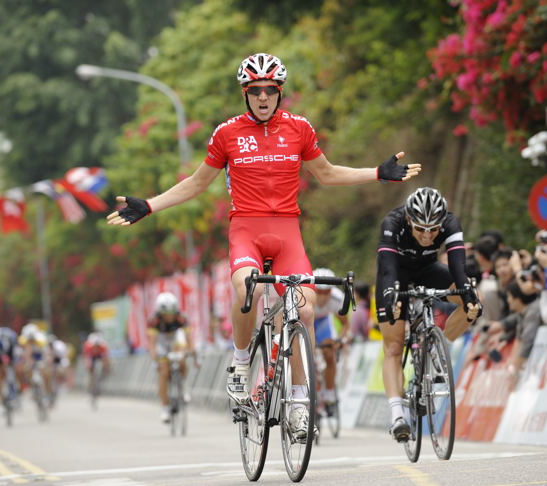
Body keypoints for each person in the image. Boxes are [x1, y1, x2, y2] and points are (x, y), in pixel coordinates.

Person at [107, 53, 421, 439]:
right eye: (254, 90)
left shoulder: (299, 129)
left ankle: (300, 404)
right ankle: (240, 365)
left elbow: (326, 173)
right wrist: (150, 205)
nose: (262, 97)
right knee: (246, 287)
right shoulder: (226, 134)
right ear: (245, 93)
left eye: (269, 90)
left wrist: (377, 173)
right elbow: (196, 183)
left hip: (287, 230)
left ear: (279, 92)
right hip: (246, 230)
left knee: (304, 311)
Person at [375, 187, 481, 442]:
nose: (427, 235)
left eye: (433, 229)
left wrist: (468, 295)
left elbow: (457, 266)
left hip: (428, 269)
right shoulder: (393, 222)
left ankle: (437, 344)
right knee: (393, 345)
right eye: (421, 228)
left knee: (472, 302)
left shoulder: (450, 222)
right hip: (396, 274)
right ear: (409, 219)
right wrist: (390, 297)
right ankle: (397, 415)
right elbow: (387, 269)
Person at [147, 292, 193, 423]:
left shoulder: (181, 317)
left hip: (175, 339)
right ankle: (165, 407)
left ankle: (182, 385)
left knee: (182, 358)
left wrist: (190, 350)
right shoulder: (154, 321)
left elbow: (189, 337)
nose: (169, 316)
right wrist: (155, 357)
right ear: (161, 313)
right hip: (161, 342)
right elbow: (152, 343)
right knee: (164, 373)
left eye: (172, 313)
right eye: (166, 314)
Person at [312, 268, 350, 416]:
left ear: (331, 290)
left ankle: (329, 393)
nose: (322, 296)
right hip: (307, 322)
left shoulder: (337, 299)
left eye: (326, 292)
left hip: (323, 323)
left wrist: (340, 340)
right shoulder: (304, 295)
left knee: (329, 352)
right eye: (318, 292)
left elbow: (345, 324)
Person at [0, 326, 20, 403]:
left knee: (10, 371)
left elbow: (12, 358)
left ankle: (13, 389)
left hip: (9, 354)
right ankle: (0, 397)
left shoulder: (10, 343)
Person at [82, 332, 110, 396]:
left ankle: (101, 379)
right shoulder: (87, 346)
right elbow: (86, 358)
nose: (96, 348)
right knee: (90, 372)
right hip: (91, 356)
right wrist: (88, 366)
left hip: (100, 355)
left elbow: (106, 358)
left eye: (98, 346)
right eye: (95, 346)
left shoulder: (103, 347)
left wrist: (106, 367)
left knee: (106, 366)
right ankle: (90, 387)